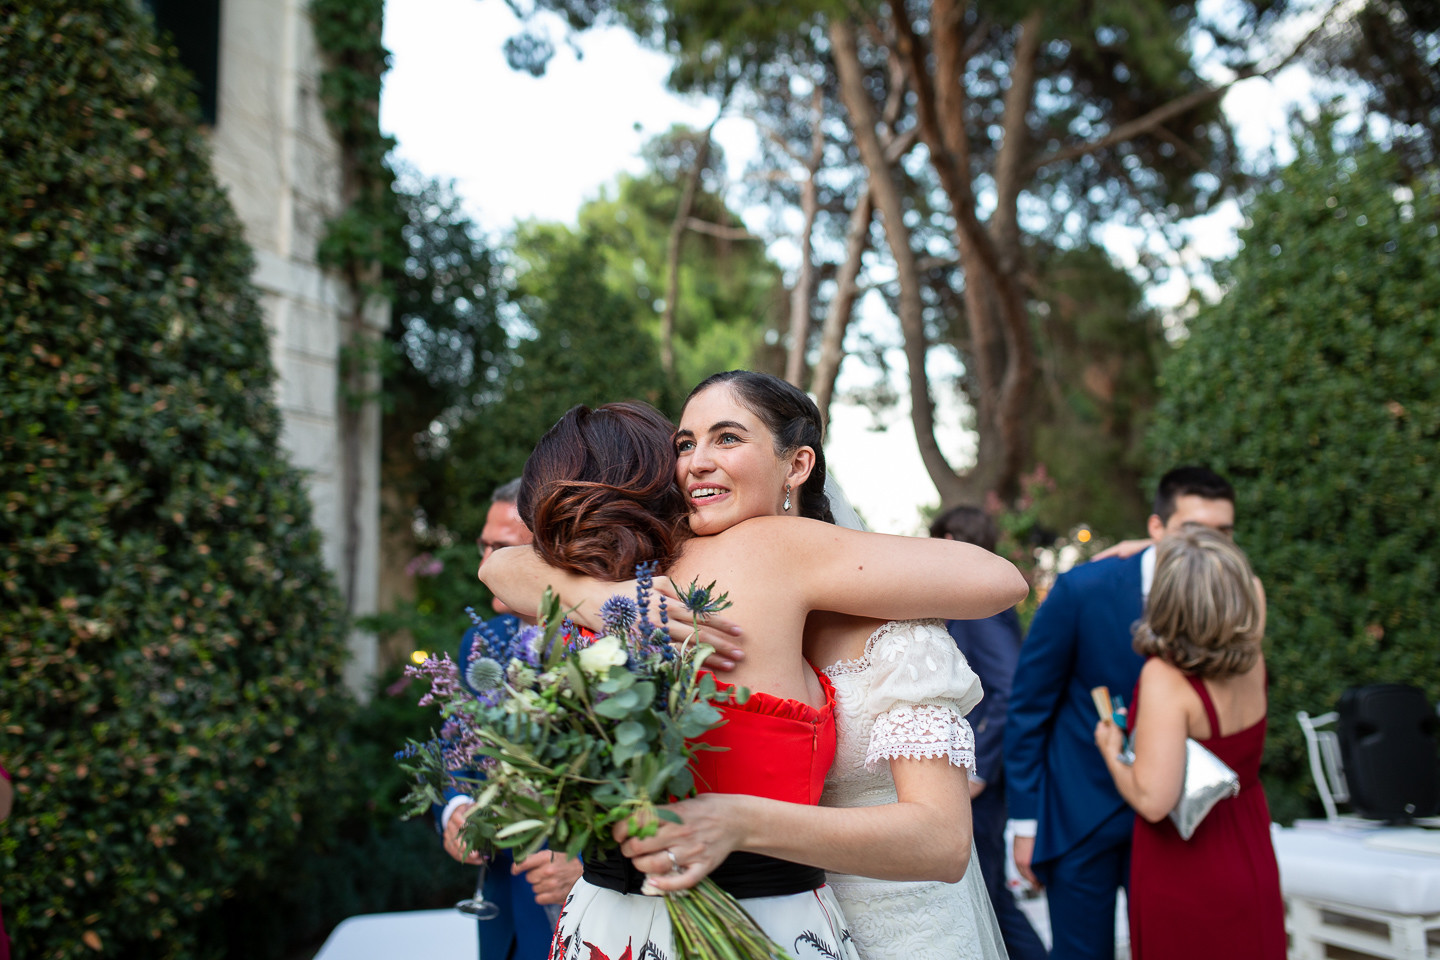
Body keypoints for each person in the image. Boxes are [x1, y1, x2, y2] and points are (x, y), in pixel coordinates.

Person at [483, 373, 1028, 960]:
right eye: (685, 444)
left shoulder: (789, 553)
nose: (697, 463)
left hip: (890, 919)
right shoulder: (659, 575)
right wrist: (601, 599)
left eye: (727, 438)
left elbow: (1001, 580)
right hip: (781, 915)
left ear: (796, 465)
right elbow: (504, 564)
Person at [1004, 466, 1239, 960]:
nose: (1212, 546)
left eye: (1223, 533)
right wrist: (1025, 823)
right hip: (1079, 814)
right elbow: (1028, 708)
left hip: (1174, 816)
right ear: (1157, 528)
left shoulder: (1227, 597)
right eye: (1196, 531)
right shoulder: (1082, 589)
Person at [1093, 525, 1284, 959]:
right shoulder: (1252, 655)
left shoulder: (1167, 679)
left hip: (1188, 864)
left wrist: (1110, 748)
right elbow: (1245, 582)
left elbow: (1154, 800)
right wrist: (1184, 551)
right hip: (1250, 845)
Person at [437, 479, 582, 960]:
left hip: (574, 916)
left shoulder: (598, 645)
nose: (485, 565)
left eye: (501, 549)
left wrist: (588, 868)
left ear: (544, 553)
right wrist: (455, 806)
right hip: (499, 915)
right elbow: (457, 749)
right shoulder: (478, 642)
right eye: (483, 546)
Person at [930, 506, 1048, 960]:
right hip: (978, 775)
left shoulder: (980, 610)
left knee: (991, 898)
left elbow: (1010, 690)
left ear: (956, 538)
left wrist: (977, 768)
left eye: (939, 539)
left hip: (980, 781)